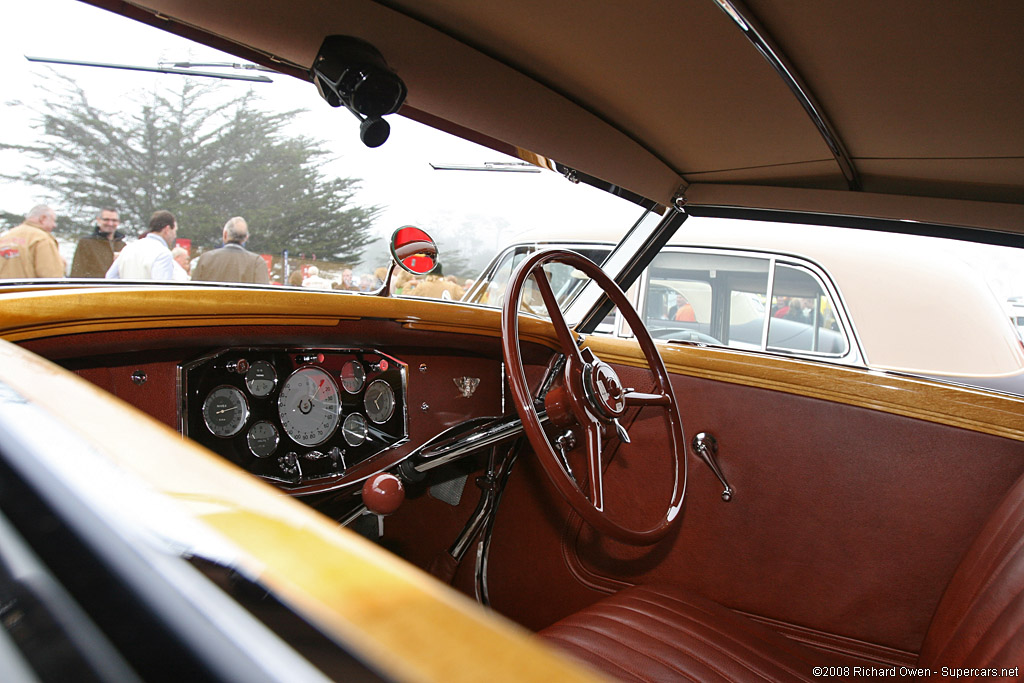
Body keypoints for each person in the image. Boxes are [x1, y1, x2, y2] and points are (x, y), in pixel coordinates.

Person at [190, 217, 269, 284]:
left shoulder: (206, 259)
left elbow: (193, 292)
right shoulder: (257, 262)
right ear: (246, 238)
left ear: (225, 234)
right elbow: (264, 297)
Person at [105, 210, 179, 280]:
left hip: (127, 293)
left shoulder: (128, 249)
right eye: (175, 231)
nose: (175, 235)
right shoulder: (163, 254)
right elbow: (162, 289)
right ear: (167, 229)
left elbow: (110, 277)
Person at [0, 204, 64, 279]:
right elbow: (52, 276)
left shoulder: (4, 237)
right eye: (53, 220)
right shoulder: (42, 239)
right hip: (28, 289)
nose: (54, 225)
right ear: (42, 219)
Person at [70, 207, 125, 277]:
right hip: (95, 286)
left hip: (116, 287)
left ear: (118, 222)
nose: (110, 223)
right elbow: (77, 271)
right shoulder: (86, 243)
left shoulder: (123, 246)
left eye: (114, 220)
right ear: (98, 220)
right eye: (106, 219)